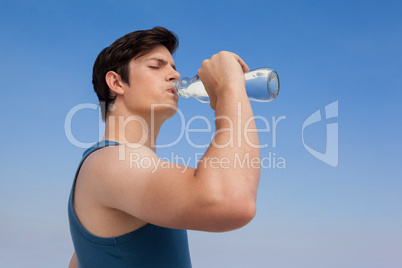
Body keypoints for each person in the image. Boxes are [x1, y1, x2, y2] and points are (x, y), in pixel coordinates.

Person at [68, 26, 261, 268]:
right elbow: (231, 201)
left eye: (174, 68)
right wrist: (230, 87)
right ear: (116, 82)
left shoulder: (111, 170)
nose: (175, 76)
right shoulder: (111, 162)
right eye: (156, 66)